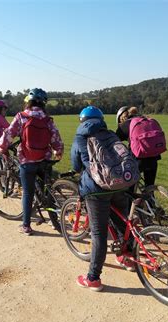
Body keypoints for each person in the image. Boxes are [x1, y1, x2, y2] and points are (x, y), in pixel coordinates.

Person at [70, 106, 133, 292]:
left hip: (96, 189)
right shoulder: (111, 134)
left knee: (98, 234)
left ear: (82, 120)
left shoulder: (80, 137)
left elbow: (75, 164)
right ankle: (127, 257)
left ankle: (93, 278)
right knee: (123, 223)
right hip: (120, 182)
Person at [0, 88, 63, 235]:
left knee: (28, 193)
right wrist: (58, 151)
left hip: (27, 160)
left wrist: (0, 147)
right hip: (44, 159)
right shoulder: (48, 119)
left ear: (28, 101)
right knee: (48, 191)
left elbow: (9, 134)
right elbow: (56, 139)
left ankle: (26, 225)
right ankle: (55, 221)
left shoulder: (22, 116)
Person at [115, 106, 161, 188]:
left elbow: (114, 140)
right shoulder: (145, 120)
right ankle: (151, 199)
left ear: (120, 119)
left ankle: (131, 199)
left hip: (138, 160)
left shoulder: (126, 124)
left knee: (128, 188)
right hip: (154, 158)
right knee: (149, 188)